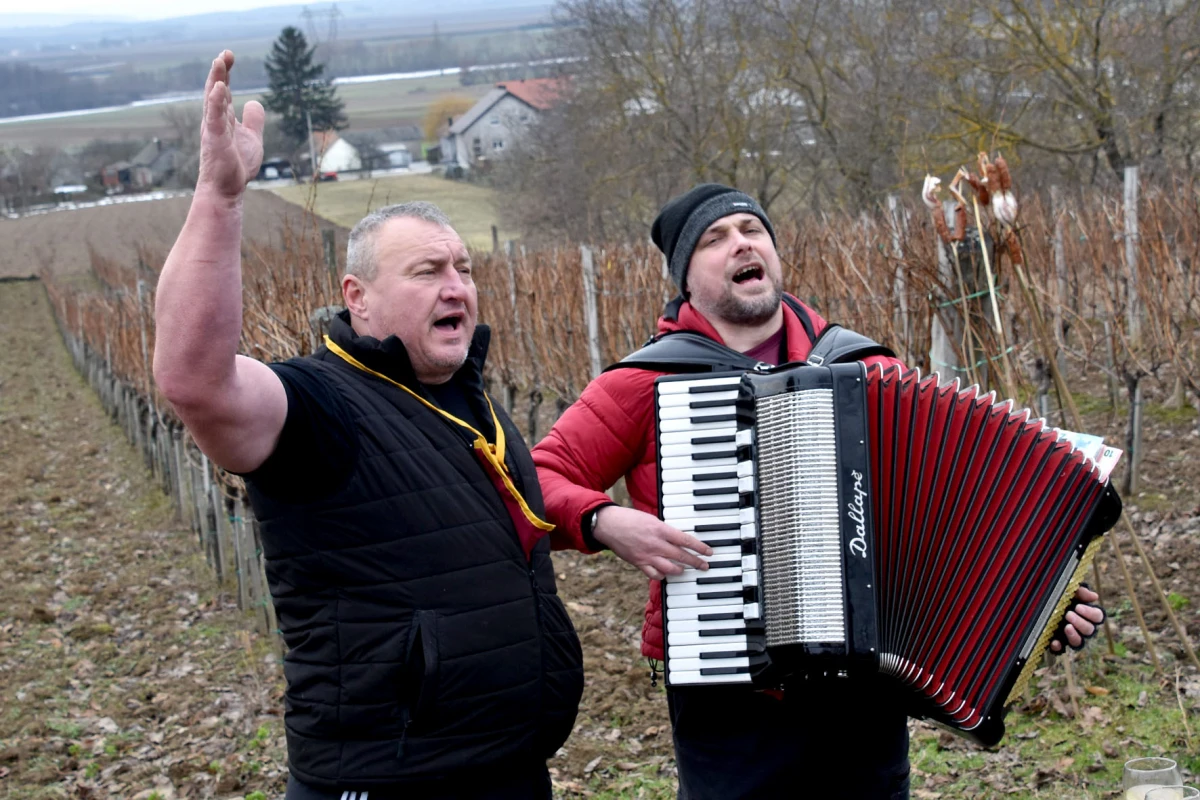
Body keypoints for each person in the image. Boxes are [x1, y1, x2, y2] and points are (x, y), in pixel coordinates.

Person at [532, 183, 1105, 799]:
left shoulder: (866, 371)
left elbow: (959, 520)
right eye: (714, 239)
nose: (741, 243)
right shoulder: (648, 383)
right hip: (731, 700)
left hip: (862, 701)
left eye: (753, 231)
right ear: (685, 281)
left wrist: (1045, 599)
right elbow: (536, 479)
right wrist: (603, 521)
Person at [153, 51, 583, 800]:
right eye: (427, 272)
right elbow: (196, 381)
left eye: (464, 269)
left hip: (509, 769)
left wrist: (605, 524)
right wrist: (220, 200)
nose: (457, 286)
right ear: (358, 296)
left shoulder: (472, 398)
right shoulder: (322, 407)